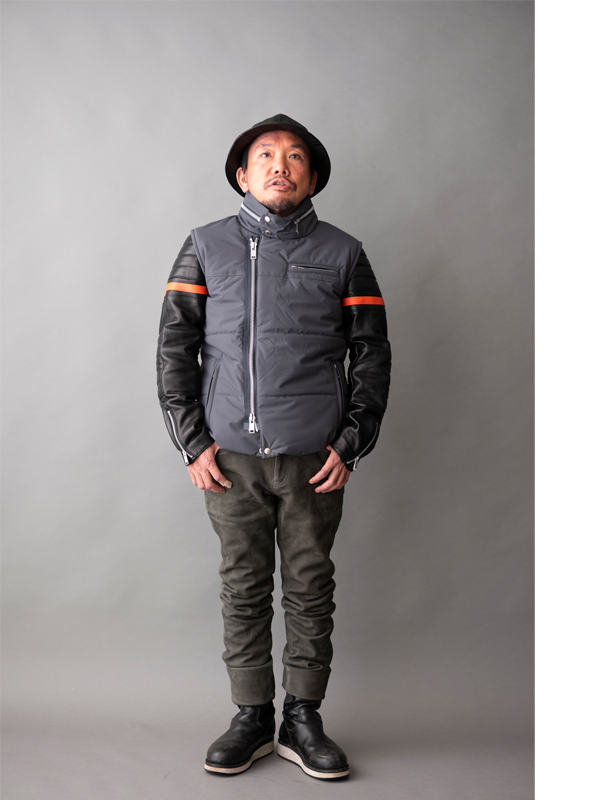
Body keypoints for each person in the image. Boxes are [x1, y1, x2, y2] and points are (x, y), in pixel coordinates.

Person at [155, 114, 391, 779]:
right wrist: (193, 444)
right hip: (228, 459)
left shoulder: (344, 252)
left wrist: (351, 443)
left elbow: (371, 354)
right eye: (265, 156)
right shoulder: (204, 246)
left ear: (312, 178)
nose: (279, 165)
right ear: (242, 174)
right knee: (243, 586)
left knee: (311, 586)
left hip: (315, 459)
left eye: (294, 157)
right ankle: (252, 715)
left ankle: (303, 717)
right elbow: (174, 349)